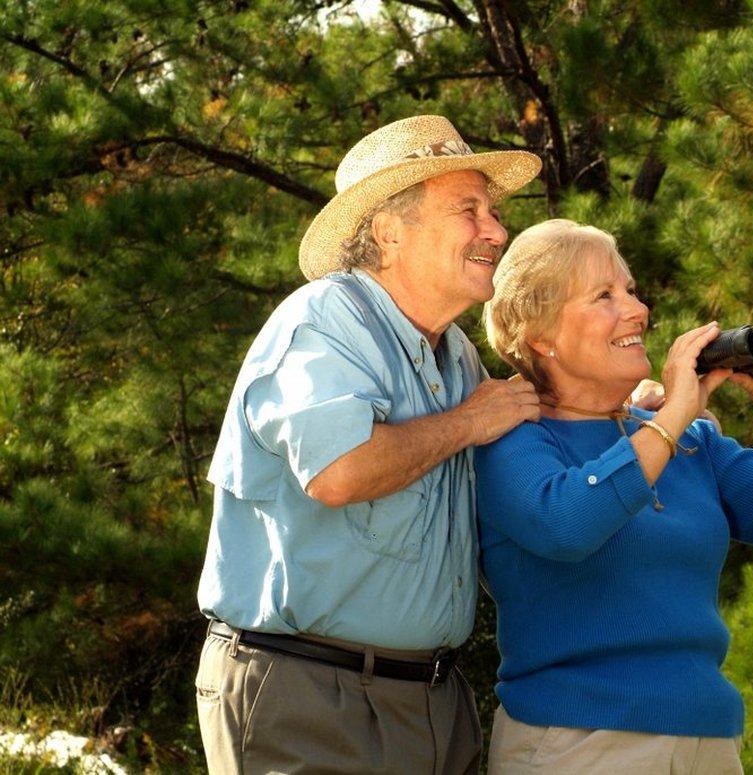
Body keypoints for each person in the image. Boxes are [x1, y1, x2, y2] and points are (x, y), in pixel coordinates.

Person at [194, 115, 542, 774]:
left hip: (432, 701)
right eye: (469, 210)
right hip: (310, 699)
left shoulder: (458, 355)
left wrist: (624, 415)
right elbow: (340, 470)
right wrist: (468, 422)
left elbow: (512, 445)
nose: (496, 231)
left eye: (492, 212)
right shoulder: (323, 320)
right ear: (389, 231)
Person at [477, 219, 753, 773]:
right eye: (604, 295)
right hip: (577, 742)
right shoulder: (514, 439)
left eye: (629, 290)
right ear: (541, 336)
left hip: (710, 739)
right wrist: (676, 413)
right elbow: (567, 523)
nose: (636, 309)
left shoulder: (691, 441)